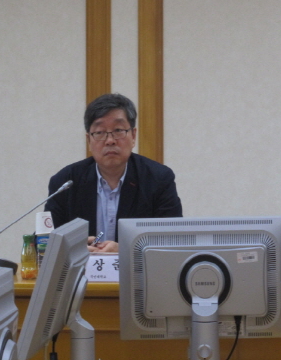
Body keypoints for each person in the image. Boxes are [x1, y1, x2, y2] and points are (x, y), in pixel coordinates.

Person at [46, 93, 182, 253]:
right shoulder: (65, 182)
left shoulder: (158, 179)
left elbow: (173, 242)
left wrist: (125, 251)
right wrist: (74, 249)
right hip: (81, 268)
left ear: (133, 136)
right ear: (89, 140)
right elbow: (46, 241)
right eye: (100, 132)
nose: (110, 140)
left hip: (135, 269)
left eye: (118, 130)